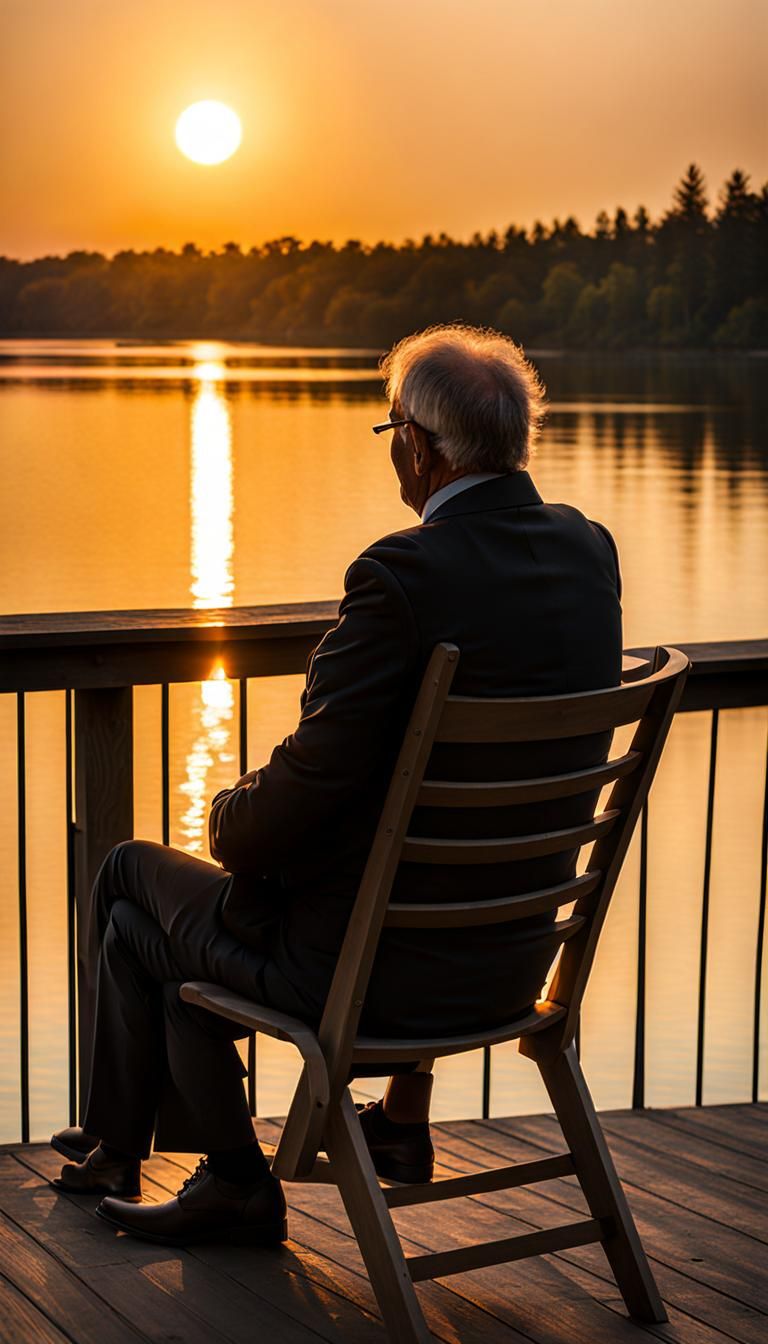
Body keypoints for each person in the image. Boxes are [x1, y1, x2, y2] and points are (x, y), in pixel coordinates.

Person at [52, 324, 622, 1246]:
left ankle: (215, 1174)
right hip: (517, 962)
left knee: (126, 884)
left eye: (393, 428)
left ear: (419, 448)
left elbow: (299, 800)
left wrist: (227, 812)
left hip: (366, 979)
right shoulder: (588, 550)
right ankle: (382, 1125)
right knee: (153, 927)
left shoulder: (400, 575)